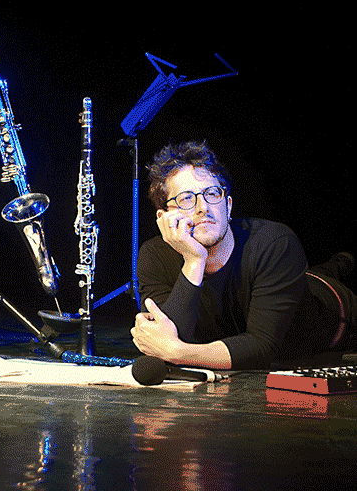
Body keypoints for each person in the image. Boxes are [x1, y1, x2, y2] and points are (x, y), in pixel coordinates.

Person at [131, 140, 356, 370]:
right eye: (186, 198)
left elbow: (262, 346)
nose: (203, 207)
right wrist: (194, 260)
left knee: (330, 272)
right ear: (163, 216)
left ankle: (344, 261)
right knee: (316, 271)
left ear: (228, 206)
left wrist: (178, 353)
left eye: (212, 193)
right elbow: (166, 338)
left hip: (335, 315)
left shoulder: (273, 242)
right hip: (274, 286)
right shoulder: (154, 256)